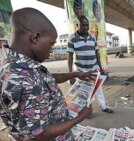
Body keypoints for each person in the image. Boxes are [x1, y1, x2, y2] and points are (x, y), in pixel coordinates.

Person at [0, 8, 93, 141]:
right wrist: (80, 117)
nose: (50, 52)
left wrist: (75, 74)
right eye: (51, 44)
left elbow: (44, 79)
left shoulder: (13, 62)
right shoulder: (22, 78)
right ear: (35, 38)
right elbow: (40, 135)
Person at [67, 15, 113, 116]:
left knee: (98, 89)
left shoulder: (92, 37)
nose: (86, 27)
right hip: (81, 71)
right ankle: (87, 111)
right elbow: (70, 57)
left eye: (87, 25)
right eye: (83, 25)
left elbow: (97, 53)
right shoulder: (72, 39)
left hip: (93, 69)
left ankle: (103, 107)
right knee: (84, 92)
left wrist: (100, 67)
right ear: (77, 25)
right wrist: (71, 74)